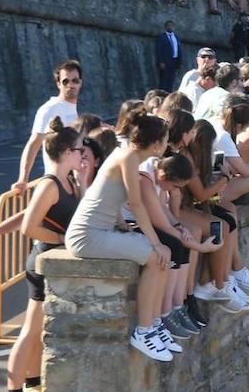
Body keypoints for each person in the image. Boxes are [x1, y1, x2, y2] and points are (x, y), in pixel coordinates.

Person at [0, 118, 84, 392]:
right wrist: (64, 238)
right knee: (30, 331)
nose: (82, 154)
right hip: (40, 264)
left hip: (52, 262)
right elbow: (30, 226)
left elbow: (27, 213)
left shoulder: (70, 182)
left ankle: (33, 384)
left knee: (38, 332)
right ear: (64, 152)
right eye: (78, 150)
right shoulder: (50, 183)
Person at [66, 111, 180, 361]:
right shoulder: (128, 157)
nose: (167, 144)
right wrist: (155, 243)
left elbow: (107, 196)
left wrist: (123, 226)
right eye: (166, 139)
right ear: (156, 143)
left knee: (163, 255)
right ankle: (145, 330)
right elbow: (136, 205)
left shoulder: (127, 154)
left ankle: (154, 322)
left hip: (98, 232)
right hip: (87, 236)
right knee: (156, 256)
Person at [14, 59, 82, 191]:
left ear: (80, 83)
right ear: (58, 84)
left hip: (73, 182)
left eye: (75, 81)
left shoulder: (72, 108)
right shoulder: (49, 109)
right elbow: (34, 144)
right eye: (65, 81)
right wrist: (23, 179)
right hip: (57, 184)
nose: (71, 85)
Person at [155, 20, 182, 91]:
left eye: (172, 26)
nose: (170, 27)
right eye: (168, 26)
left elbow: (179, 49)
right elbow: (158, 50)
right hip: (165, 62)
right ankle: (162, 95)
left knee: (171, 80)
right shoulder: (161, 37)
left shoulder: (176, 38)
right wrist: (160, 61)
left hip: (174, 61)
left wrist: (180, 61)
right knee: (163, 80)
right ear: (165, 27)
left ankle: (168, 95)